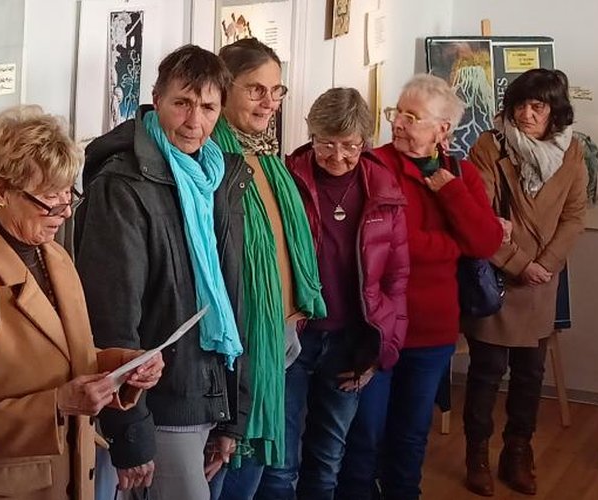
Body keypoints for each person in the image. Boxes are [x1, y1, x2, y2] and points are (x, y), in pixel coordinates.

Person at [0, 105, 164, 500]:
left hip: (65, 478)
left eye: (68, 192)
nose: (66, 210)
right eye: (48, 198)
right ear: (0, 191)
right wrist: (56, 405)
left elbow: (63, 356)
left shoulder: (50, 254)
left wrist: (119, 365)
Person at [75, 44, 252, 499]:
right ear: (156, 97)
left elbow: (234, 299)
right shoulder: (122, 185)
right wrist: (130, 430)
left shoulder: (219, 177)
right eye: (182, 103)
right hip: (163, 400)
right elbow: (112, 319)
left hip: (212, 387)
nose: (195, 121)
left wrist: (233, 415)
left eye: (208, 107)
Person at [336, 74, 502, 500]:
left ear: (442, 129)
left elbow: (485, 242)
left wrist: (450, 194)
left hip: (432, 331)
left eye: (413, 117)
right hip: (377, 327)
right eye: (397, 113)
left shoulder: (459, 173)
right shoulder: (374, 166)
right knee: (365, 436)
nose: (399, 124)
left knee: (410, 437)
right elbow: (392, 245)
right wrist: (455, 244)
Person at [268, 87, 408, 500]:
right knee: (280, 464)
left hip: (351, 342)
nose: (338, 155)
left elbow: (396, 280)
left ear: (365, 143)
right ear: (311, 134)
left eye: (350, 145)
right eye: (327, 142)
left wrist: (380, 353)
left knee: (328, 461)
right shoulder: (286, 179)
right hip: (293, 338)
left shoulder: (384, 189)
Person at [207, 38, 328, 500]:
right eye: (256, 89)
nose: (268, 102)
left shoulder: (265, 158)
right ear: (225, 87)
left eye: (276, 92)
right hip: (236, 348)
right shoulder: (213, 160)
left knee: (254, 469)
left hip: (278, 338)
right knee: (229, 473)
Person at [462, 68, 587, 496]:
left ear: (555, 112)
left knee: (531, 374)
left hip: (542, 279)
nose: (527, 113)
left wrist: (545, 264)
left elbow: (574, 216)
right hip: (498, 277)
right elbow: (478, 217)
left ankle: (518, 450)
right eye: (520, 105)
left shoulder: (573, 152)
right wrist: (518, 263)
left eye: (537, 106)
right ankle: (476, 453)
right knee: (486, 373)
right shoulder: (490, 145)